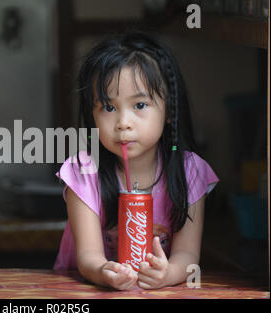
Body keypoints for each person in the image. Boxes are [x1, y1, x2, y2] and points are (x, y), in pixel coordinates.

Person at [53, 31, 219, 290]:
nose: (123, 123)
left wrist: (168, 274)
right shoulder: (83, 170)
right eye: (108, 107)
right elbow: (88, 257)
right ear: (92, 114)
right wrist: (104, 271)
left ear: (169, 111)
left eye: (140, 105)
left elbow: (187, 256)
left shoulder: (191, 172)